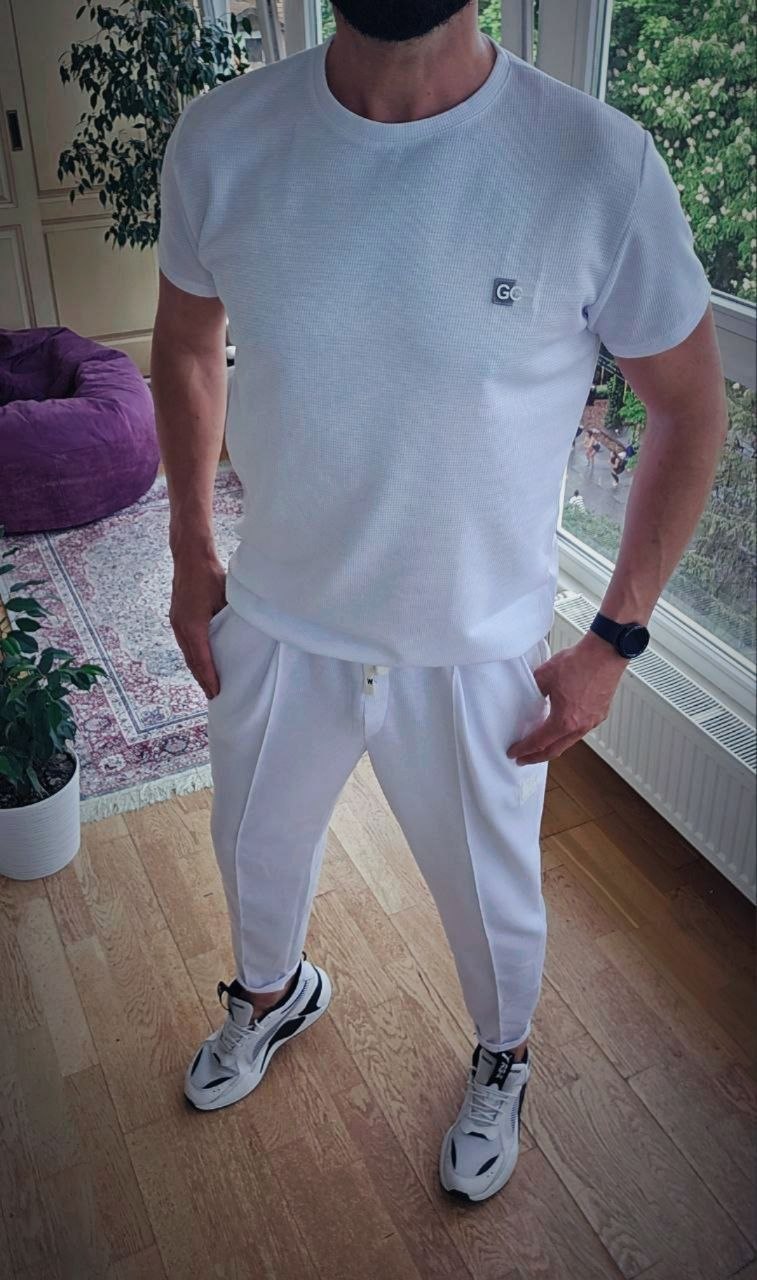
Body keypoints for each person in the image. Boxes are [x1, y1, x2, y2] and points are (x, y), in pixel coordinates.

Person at [151, 0, 726, 1205]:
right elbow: (189, 341)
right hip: (280, 614)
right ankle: (271, 994)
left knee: (491, 904)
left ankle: (502, 1055)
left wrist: (613, 637)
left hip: (477, 645)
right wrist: (192, 542)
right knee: (252, 850)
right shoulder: (222, 136)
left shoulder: (594, 163)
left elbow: (687, 405)